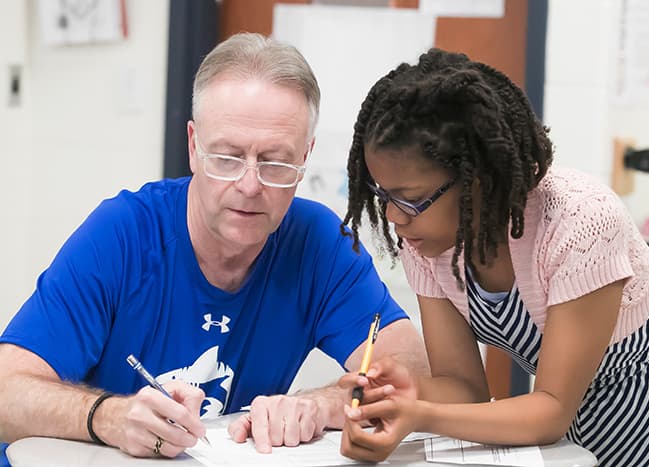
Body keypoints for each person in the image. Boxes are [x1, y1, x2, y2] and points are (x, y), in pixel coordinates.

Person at [0, 32, 429, 464]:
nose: (249, 185)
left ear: (305, 158)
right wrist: (107, 416)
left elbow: (411, 371)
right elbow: (5, 392)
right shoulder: (124, 233)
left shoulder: (316, 242)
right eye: (227, 157)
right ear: (193, 146)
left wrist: (323, 404)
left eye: (276, 162)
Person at [337, 48, 649, 467]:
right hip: (576, 424)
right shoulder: (428, 242)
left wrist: (420, 415)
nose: (393, 216)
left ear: (477, 181)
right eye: (383, 195)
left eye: (411, 199)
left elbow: (548, 410)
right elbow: (463, 387)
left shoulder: (580, 223)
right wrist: (402, 396)